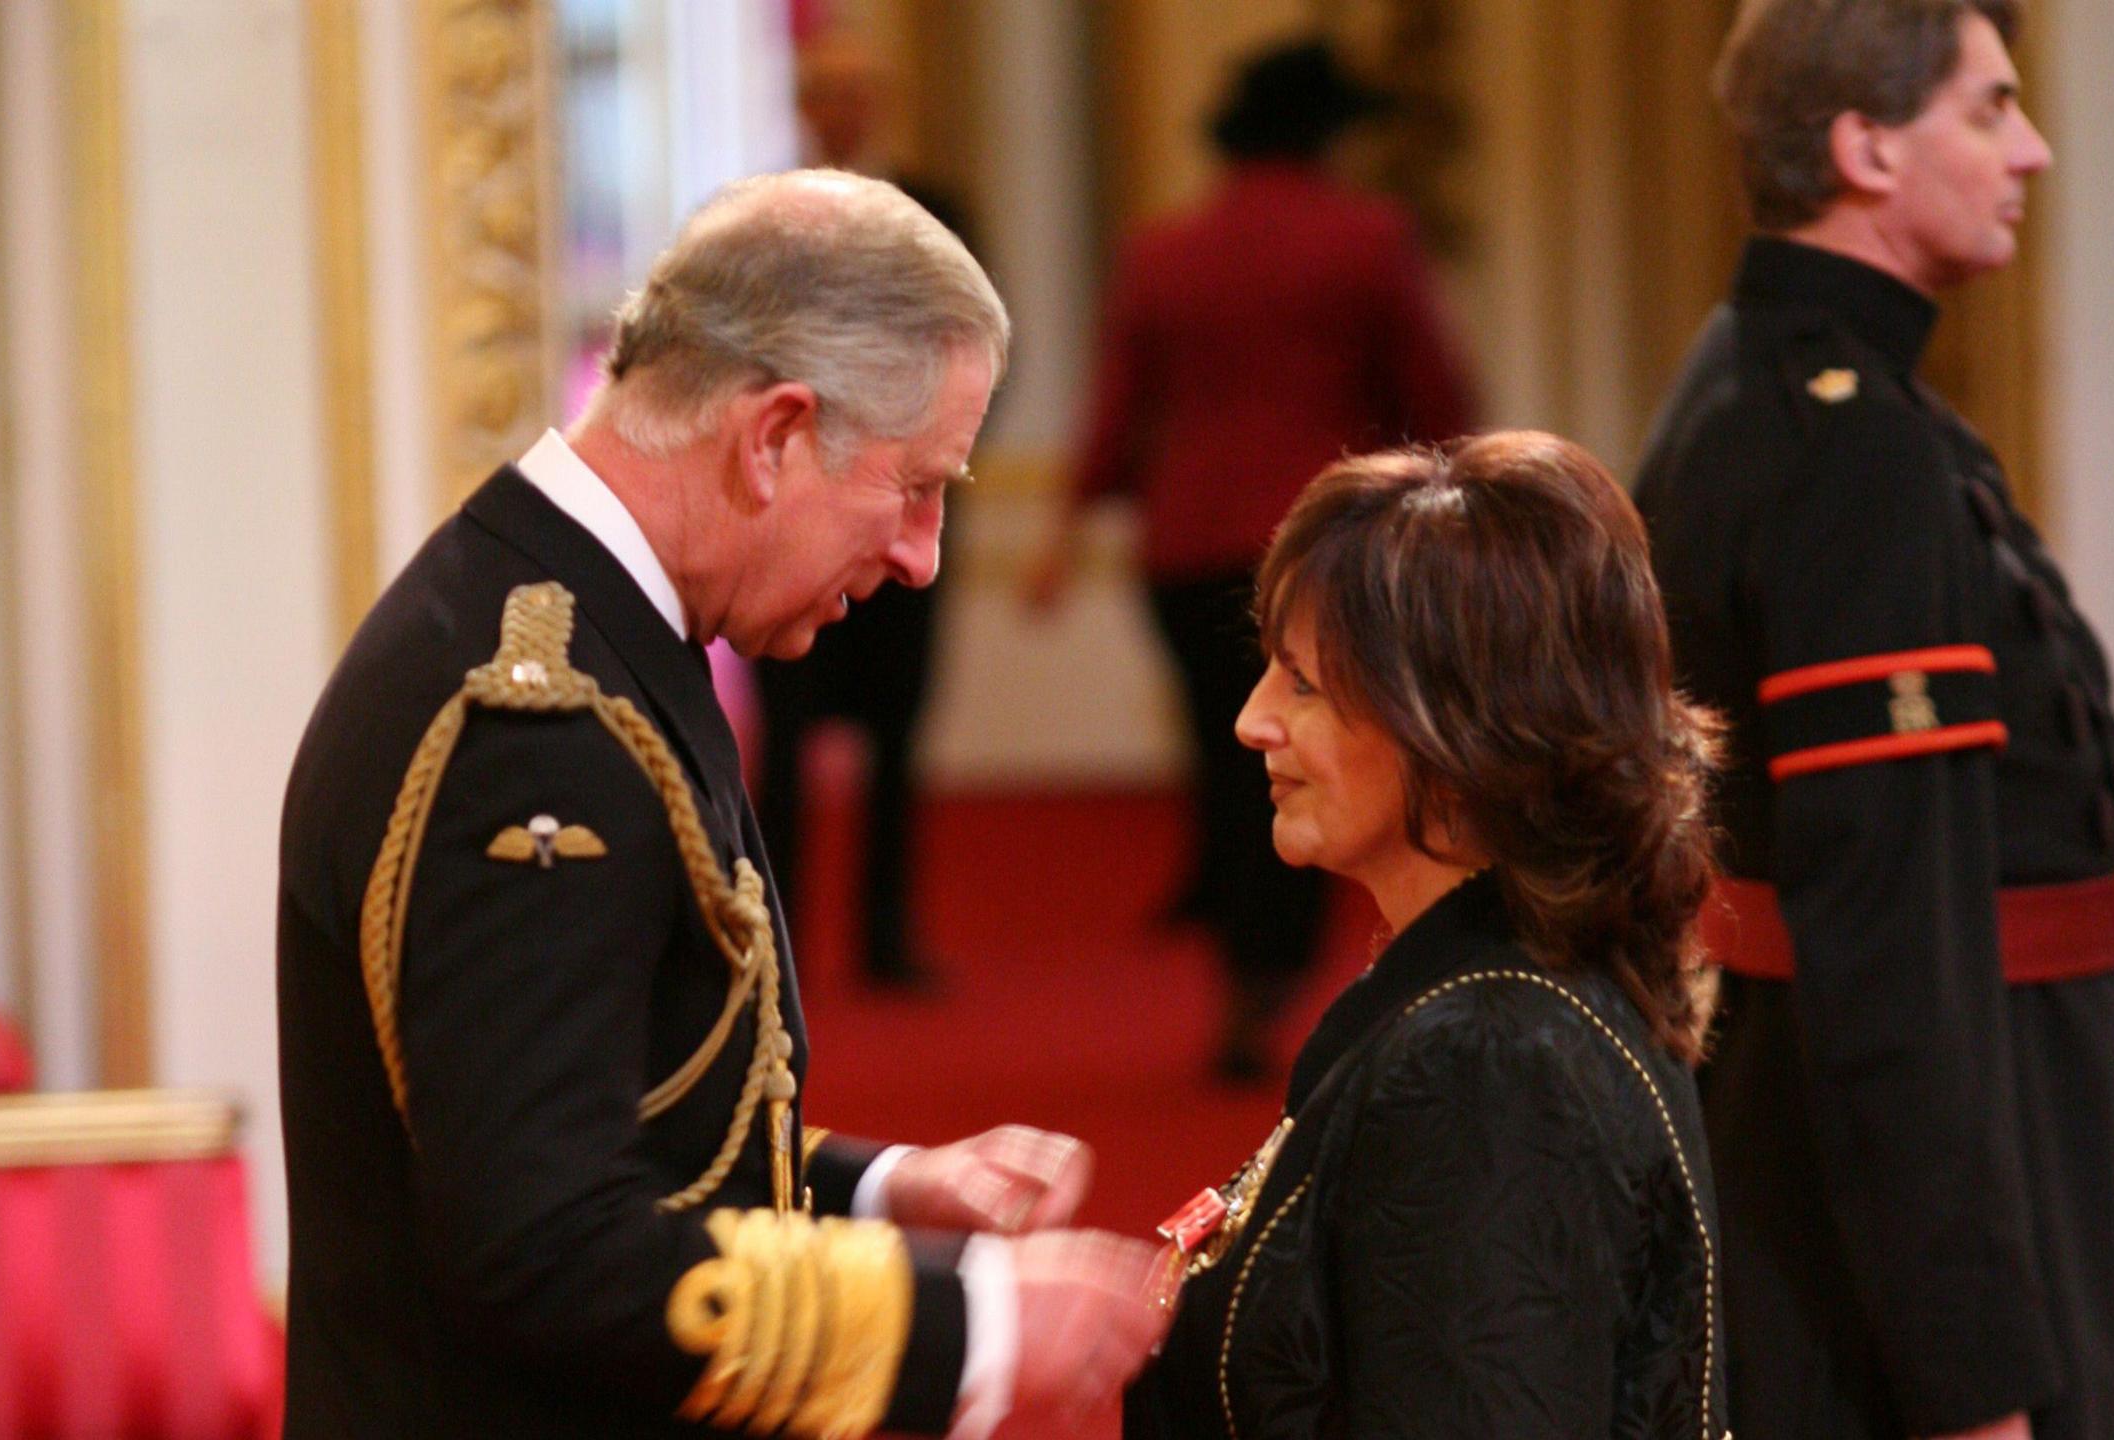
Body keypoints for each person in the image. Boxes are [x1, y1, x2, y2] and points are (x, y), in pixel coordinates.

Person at [277, 170, 1167, 1440]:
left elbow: (617, 1116)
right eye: (915, 487)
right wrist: (972, 1332)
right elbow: (541, 1249)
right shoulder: (538, 733)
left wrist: (882, 1190)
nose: (920, 555)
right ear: (774, 436)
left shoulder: (579, 628)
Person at [1632, 4, 2114, 1437]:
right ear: (1866, 145)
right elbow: (1888, 938)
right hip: (1982, 1124)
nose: (2036, 149)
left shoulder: (1788, 377)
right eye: (1990, 108)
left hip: (1935, 1088)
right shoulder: (1851, 447)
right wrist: (1969, 1380)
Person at [1126, 433, 1729, 1439]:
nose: (1251, 721)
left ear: (1458, 725)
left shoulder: (1491, 1064)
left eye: (1303, 684)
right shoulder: (1490, 995)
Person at [1025, 37, 1476, 1081]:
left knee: (1223, 757)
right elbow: (1438, 395)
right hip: (1325, 549)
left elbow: (1116, 414)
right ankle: (1298, 972)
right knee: (1344, 752)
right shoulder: (1366, 238)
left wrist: (1058, 538)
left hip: (1184, 549)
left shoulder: (1161, 251)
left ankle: (1242, 974)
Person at [752, 31, 976, 993]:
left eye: (857, 92)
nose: (843, 109)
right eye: (825, 92)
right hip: (791, 518)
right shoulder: (760, 229)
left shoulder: (943, 217)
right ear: (806, 105)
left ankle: (887, 935)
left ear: (879, 103)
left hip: (903, 513)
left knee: (899, 734)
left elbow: (984, 353)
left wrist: (919, 477)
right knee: (786, 741)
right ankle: (779, 942)